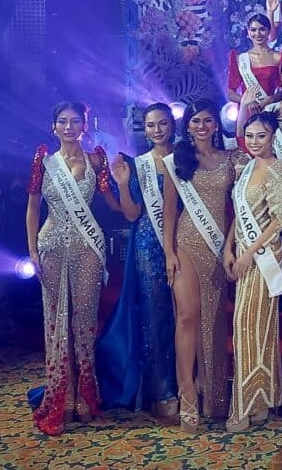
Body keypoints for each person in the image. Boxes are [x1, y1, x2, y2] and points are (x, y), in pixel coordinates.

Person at [26, 102, 112, 435]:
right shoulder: (43, 163)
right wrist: (32, 250)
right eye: (62, 121)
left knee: (84, 320)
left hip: (88, 248)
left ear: (85, 125)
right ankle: (64, 393)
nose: (69, 126)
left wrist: (120, 181)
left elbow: (113, 205)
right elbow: (32, 208)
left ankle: (85, 396)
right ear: (53, 126)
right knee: (56, 321)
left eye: (76, 121)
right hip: (50, 246)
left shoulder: (95, 160)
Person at [95, 103, 178, 420]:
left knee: (182, 314)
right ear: (144, 129)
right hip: (148, 243)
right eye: (151, 125)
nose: (157, 130)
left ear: (172, 124)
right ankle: (161, 390)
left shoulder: (183, 158)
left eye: (162, 123)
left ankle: (189, 382)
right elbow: (131, 213)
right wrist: (121, 182)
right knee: (156, 314)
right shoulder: (138, 165)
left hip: (182, 240)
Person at [163, 100, 242, 430]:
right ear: (189, 125)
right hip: (186, 244)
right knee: (187, 316)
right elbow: (169, 212)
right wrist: (169, 253)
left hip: (218, 246)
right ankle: (187, 394)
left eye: (208, 120)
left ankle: (213, 395)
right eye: (196, 120)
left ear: (215, 124)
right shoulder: (178, 161)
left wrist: (231, 246)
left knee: (213, 320)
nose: (201, 126)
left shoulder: (230, 160)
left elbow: (239, 209)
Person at [224, 112, 282, 432]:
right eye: (249, 136)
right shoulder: (247, 167)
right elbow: (239, 213)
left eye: (260, 136)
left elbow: (280, 220)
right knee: (250, 327)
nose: (253, 141)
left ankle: (248, 404)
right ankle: (260, 401)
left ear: (272, 136)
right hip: (242, 252)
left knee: (250, 327)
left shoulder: (277, 170)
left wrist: (249, 254)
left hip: (265, 257)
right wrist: (228, 248)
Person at [226, 13, 282, 130]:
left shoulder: (278, 57)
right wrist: (247, 101)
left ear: (269, 31)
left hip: (271, 110)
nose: (257, 34)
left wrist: (272, 99)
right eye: (253, 30)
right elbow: (230, 94)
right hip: (247, 113)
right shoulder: (241, 59)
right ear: (248, 33)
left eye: (262, 29)